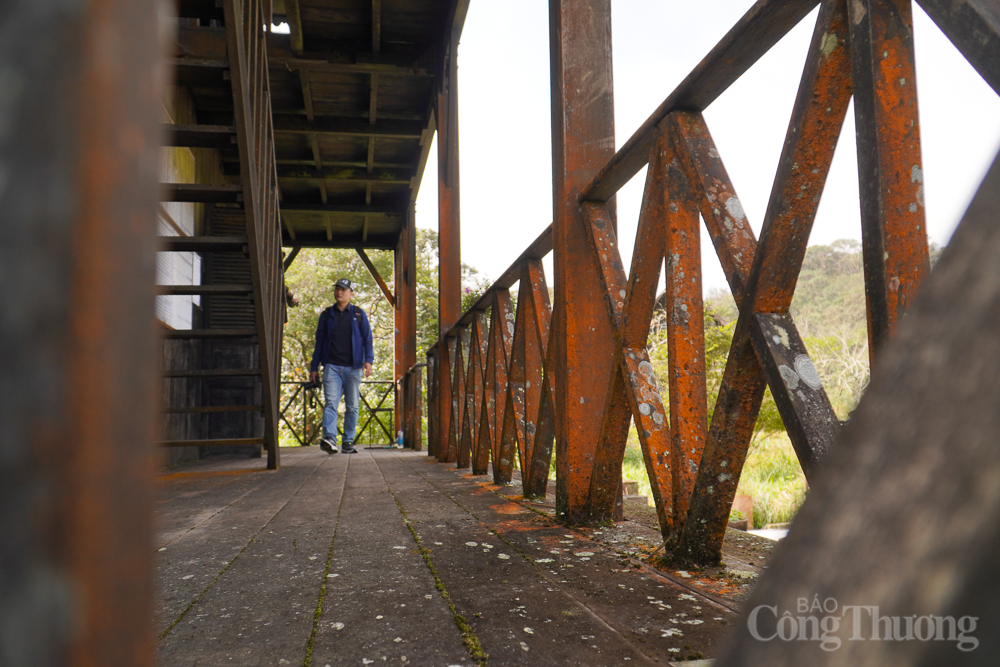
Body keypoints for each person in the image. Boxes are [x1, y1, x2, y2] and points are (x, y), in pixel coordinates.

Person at [309, 278, 374, 454]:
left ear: (351, 294)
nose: (339, 292)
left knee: (352, 406)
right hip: (332, 366)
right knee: (331, 403)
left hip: (353, 367)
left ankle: (348, 441)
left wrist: (368, 360)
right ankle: (330, 439)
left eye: (343, 290)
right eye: (337, 289)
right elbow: (319, 342)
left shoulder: (359, 314)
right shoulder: (326, 315)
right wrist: (314, 367)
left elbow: (368, 339)